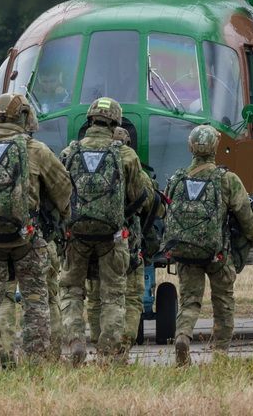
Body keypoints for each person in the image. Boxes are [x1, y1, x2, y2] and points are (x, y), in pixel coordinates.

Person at [0, 93, 71, 368]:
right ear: (23, 116)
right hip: (26, 238)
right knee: (36, 299)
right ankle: (36, 360)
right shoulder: (35, 149)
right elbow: (63, 190)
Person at [60, 98, 153, 365]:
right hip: (113, 237)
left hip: (76, 236)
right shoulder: (125, 155)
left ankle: (76, 340)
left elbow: (58, 193)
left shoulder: (69, 152)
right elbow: (141, 197)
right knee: (113, 294)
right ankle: (109, 355)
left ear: (89, 120)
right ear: (115, 122)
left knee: (72, 290)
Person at [163, 124, 253, 366]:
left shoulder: (176, 179)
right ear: (216, 148)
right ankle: (220, 354)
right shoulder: (227, 180)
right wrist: (252, 237)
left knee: (189, 301)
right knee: (223, 300)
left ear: (191, 147)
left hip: (186, 252)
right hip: (218, 254)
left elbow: (166, 211)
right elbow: (245, 216)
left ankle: (183, 336)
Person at [85, 126, 162, 349]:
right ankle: (124, 342)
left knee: (96, 297)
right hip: (124, 244)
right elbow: (150, 203)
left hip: (89, 241)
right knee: (131, 295)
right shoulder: (134, 168)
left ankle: (97, 340)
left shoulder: (85, 168)